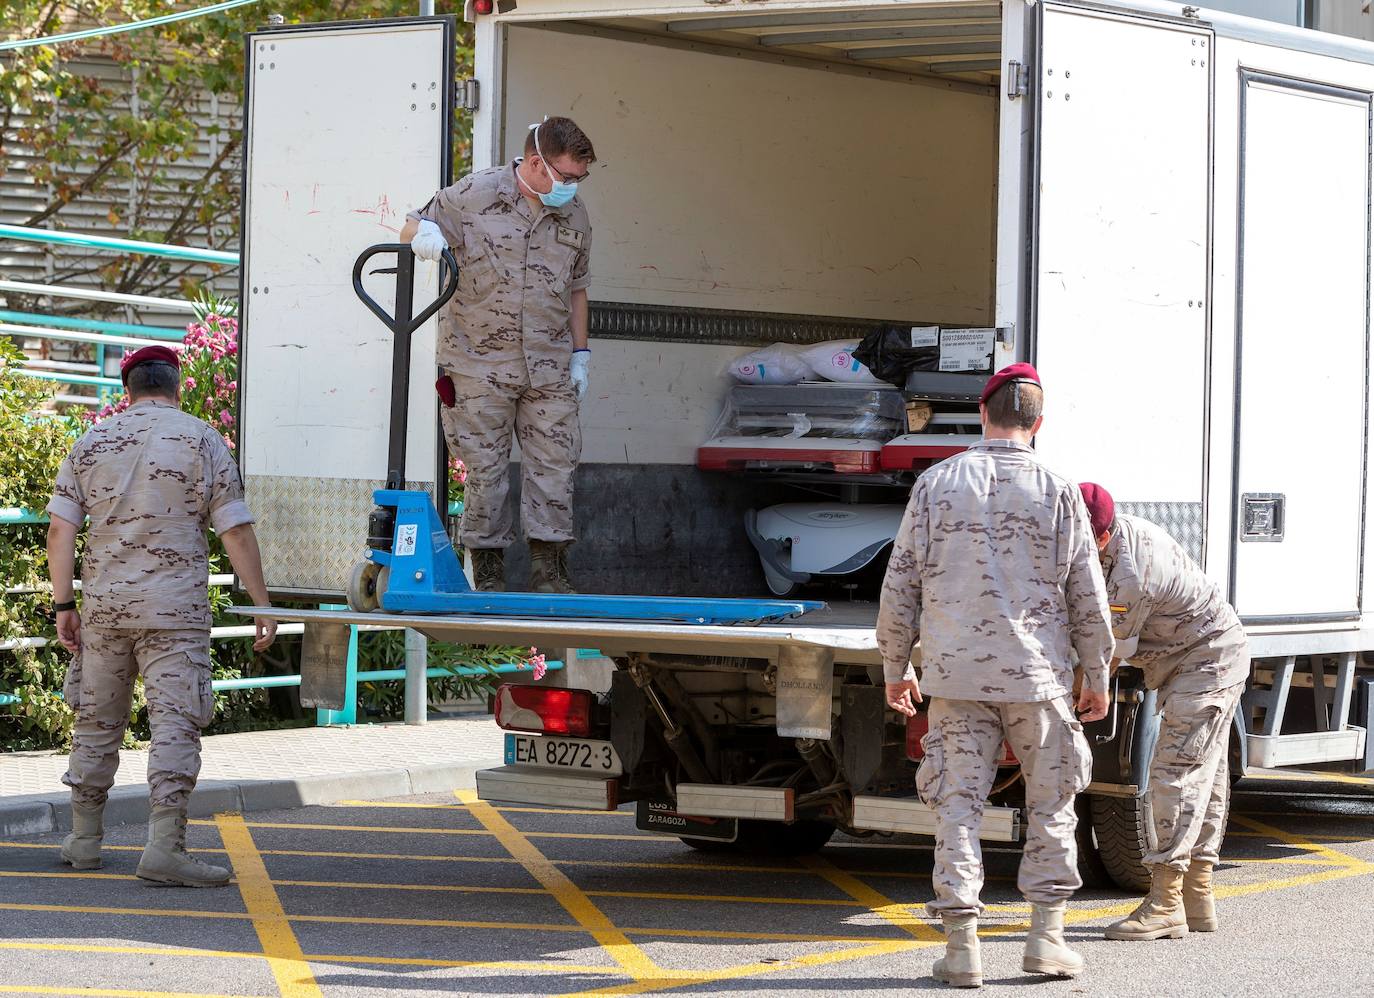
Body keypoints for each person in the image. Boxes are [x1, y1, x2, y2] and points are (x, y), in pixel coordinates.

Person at [876, 362, 1113, 988]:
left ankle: (961, 949)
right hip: (1037, 679)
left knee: (956, 807)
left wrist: (894, 665)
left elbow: (902, 580)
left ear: (982, 413)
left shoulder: (935, 483)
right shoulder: (1060, 490)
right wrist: (1097, 672)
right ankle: (1046, 941)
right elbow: (1085, 592)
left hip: (955, 678)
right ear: (1038, 422)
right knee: (1052, 804)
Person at [46, 345, 277, 887]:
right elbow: (235, 529)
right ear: (177, 385)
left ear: (128, 389)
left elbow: (60, 530)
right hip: (174, 611)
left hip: (105, 608)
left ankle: (83, 840)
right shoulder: (202, 439)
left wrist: (64, 605)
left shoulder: (91, 440)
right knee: (174, 722)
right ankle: (165, 848)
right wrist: (261, 602)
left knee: (96, 720)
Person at [400, 116, 596, 594]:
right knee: (486, 470)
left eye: (578, 179)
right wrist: (425, 238)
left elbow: (577, 290)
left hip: (548, 366)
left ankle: (550, 571)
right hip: (478, 365)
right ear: (535, 162)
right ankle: (486, 571)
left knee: (556, 465)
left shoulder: (575, 216)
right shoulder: (475, 194)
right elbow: (410, 226)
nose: (571, 187)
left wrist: (581, 353)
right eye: (566, 177)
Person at [1077, 483, 1250, 941]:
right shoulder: (1114, 537)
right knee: (1205, 777)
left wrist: (1079, 694)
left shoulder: (1132, 574)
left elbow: (1105, 656)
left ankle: (1166, 901)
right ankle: (1197, 895)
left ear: (1099, 537)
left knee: (1173, 774)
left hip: (1208, 660)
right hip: (1190, 659)